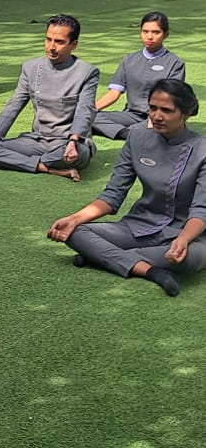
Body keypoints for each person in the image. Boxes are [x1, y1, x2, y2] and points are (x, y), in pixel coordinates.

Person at [49, 80, 206, 297]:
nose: (157, 116)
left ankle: (100, 256)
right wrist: (75, 218)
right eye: (153, 108)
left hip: (189, 234)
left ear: (186, 113)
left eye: (167, 110)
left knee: (191, 258)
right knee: (75, 231)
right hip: (139, 226)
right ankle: (150, 271)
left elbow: (201, 209)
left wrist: (184, 239)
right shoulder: (137, 136)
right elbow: (113, 194)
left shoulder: (202, 149)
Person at [0, 14, 98, 181]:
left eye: (59, 42)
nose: (51, 47)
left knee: (79, 154)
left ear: (74, 45)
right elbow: (14, 105)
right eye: (48, 39)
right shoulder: (31, 68)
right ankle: (48, 169)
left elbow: (84, 111)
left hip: (70, 143)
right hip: (36, 141)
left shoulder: (87, 72)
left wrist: (73, 141)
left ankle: (15, 162)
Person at [93, 11, 186, 139]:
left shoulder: (175, 63)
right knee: (87, 118)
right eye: (145, 31)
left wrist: (152, 121)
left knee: (155, 127)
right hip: (131, 115)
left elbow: (170, 99)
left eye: (155, 32)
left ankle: (136, 132)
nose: (149, 37)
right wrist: (89, 110)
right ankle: (128, 134)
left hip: (159, 117)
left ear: (166, 35)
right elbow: (114, 92)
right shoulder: (129, 60)